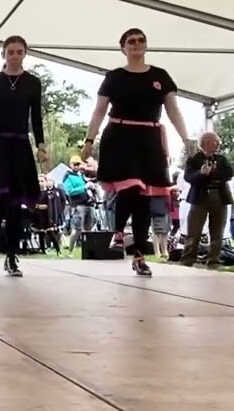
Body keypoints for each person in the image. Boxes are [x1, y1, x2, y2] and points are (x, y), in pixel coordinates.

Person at [80, 28, 191, 277]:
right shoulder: (114, 77)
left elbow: (173, 110)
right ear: (123, 48)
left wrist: (186, 138)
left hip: (149, 138)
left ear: (146, 45)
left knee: (144, 198)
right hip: (119, 135)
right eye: (131, 41)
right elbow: (99, 110)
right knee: (130, 186)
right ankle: (119, 232)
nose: (136, 44)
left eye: (141, 40)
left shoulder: (160, 76)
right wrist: (89, 141)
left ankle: (139, 255)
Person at [0, 35, 47, 274]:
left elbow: (36, 116)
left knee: (16, 200)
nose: (15, 56)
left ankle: (12, 255)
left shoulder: (33, 83)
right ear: (3, 54)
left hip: (19, 143)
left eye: (19, 52)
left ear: (25, 54)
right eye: (10, 52)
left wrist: (41, 145)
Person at [179, 132, 234, 268]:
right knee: (194, 230)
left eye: (218, 142)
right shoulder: (194, 159)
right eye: (215, 142)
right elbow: (188, 177)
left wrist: (214, 172)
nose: (218, 144)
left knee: (217, 231)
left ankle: (213, 259)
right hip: (200, 197)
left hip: (219, 196)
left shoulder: (221, 159)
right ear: (205, 143)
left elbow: (229, 174)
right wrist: (201, 173)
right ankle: (188, 259)